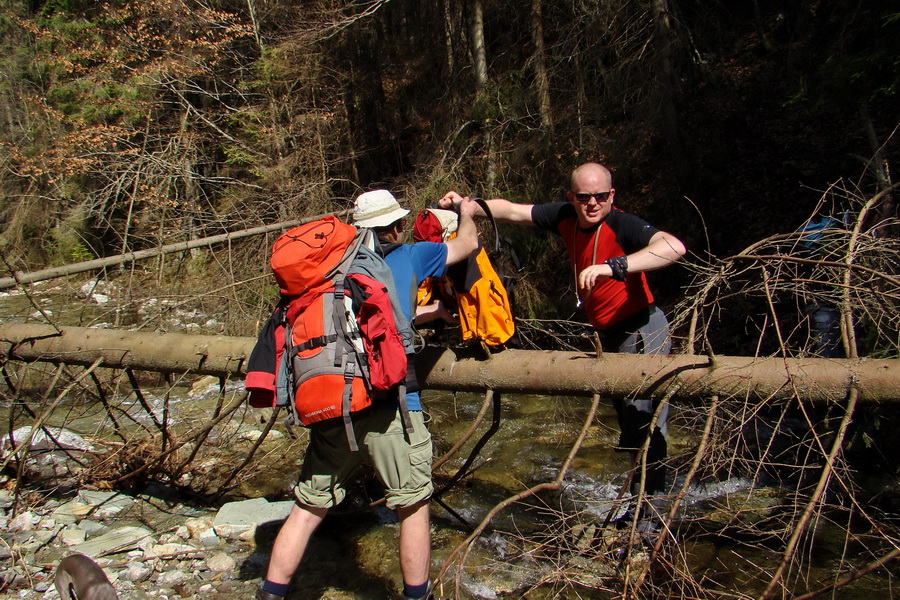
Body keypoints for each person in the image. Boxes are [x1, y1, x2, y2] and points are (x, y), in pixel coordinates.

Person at [440, 162, 686, 535]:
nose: (592, 203)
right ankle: (640, 508)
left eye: (600, 196)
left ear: (611, 195)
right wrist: (470, 207)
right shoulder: (565, 216)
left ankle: (649, 521)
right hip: (611, 335)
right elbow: (512, 211)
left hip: (642, 329)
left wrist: (614, 266)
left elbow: (672, 246)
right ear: (571, 197)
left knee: (646, 423)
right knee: (631, 426)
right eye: (584, 197)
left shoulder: (622, 224)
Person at [258, 189, 479, 600]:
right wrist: (467, 213)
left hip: (331, 402)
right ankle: (417, 596)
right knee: (412, 506)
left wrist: (428, 313)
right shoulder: (411, 255)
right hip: (390, 404)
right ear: (395, 226)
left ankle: (270, 593)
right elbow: (467, 246)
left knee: (307, 509)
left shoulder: (327, 272)